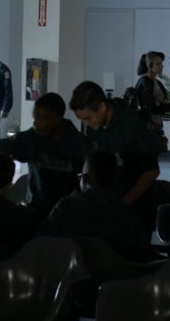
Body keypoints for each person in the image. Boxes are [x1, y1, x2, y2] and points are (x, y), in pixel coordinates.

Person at [69, 80, 161, 233]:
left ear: (102, 108)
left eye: (88, 118)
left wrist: (123, 204)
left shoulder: (132, 126)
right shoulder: (94, 126)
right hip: (106, 206)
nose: (86, 124)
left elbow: (151, 172)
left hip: (134, 209)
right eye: (82, 120)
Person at [39, 150, 151, 261]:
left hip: (68, 275)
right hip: (117, 276)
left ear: (85, 178)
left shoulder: (64, 207)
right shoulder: (125, 214)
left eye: (80, 176)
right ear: (114, 179)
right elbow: (142, 255)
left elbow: (42, 242)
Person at [135, 51, 170, 151]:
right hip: (146, 127)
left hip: (156, 126)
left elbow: (168, 106)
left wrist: (159, 104)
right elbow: (150, 106)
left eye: (161, 63)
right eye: (158, 64)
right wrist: (160, 104)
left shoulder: (157, 82)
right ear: (149, 66)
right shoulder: (144, 82)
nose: (162, 66)